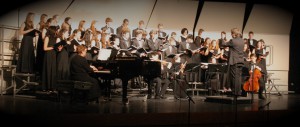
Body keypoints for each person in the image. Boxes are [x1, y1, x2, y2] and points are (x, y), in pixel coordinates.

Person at [222, 28, 244, 96]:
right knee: (238, 78)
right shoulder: (242, 41)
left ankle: (234, 93)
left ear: (234, 34)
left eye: (231, 34)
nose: (231, 35)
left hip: (234, 61)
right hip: (240, 61)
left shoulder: (233, 41)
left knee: (234, 77)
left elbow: (223, 44)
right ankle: (238, 92)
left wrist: (223, 38)